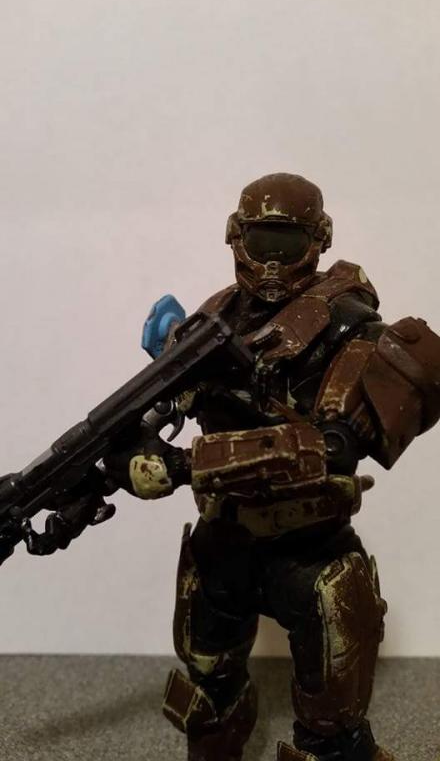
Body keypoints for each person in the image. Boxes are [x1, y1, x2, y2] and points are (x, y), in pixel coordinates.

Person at [102, 173, 440, 760]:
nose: (273, 263)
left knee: (332, 728)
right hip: (224, 538)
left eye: (288, 244)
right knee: (208, 693)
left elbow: (329, 448)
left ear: (319, 241)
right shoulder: (217, 317)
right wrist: (118, 456)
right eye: (262, 242)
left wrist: (182, 466)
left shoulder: (348, 327)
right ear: (236, 237)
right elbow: (165, 403)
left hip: (311, 549)